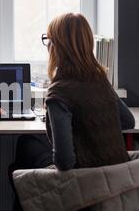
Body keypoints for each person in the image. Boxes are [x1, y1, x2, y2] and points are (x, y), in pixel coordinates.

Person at [9, 13, 135, 189]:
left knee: (25, 146)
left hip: (84, 181)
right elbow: (128, 120)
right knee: (25, 150)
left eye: (48, 39)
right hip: (115, 178)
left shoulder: (60, 92)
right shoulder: (99, 78)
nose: (47, 46)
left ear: (58, 46)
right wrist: (89, 128)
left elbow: (65, 162)